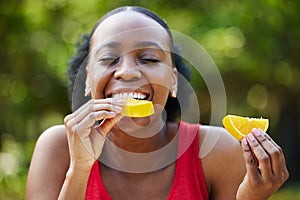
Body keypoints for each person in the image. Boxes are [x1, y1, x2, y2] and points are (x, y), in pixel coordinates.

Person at [26, 6, 289, 200]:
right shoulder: (58, 149)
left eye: (149, 59)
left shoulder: (217, 152)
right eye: (109, 58)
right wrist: (79, 170)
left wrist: (251, 198)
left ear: (174, 81)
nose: (127, 72)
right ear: (87, 79)